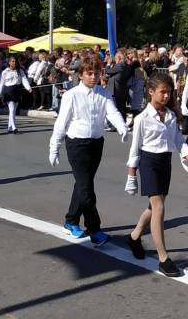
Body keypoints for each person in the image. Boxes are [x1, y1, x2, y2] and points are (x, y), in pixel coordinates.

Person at [124, 72, 188, 276]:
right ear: (151, 92)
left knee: (153, 206)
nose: (167, 96)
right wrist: (131, 175)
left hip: (164, 161)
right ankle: (163, 258)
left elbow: (177, 139)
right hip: (148, 162)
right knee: (159, 207)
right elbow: (135, 148)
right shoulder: (142, 118)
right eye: (162, 92)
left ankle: (133, 237)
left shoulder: (170, 116)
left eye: (169, 92)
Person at [48, 55, 129, 246]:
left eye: (96, 73)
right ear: (81, 75)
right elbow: (61, 123)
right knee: (87, 189)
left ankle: (70, 220)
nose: (93, 77)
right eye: (89, 73)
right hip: (77, 144)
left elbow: (112, 112)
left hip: (96, 143)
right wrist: (54, 146)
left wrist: (122, 127)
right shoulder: (72, 95)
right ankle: (94, 229)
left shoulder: (103, 93)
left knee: (83, 183)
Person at [0, 55, 32, 133]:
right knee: (12, 109)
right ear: (9, 62)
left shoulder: (20, 71)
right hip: (8, 91)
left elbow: (24, 80)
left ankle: (9, 127)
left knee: (13, 110)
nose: (14, 63)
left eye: (15, 61)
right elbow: (1, 83)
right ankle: (14, 127)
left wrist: (28, 88)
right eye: (12, 61)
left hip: (17, 91)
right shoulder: (5, 72)